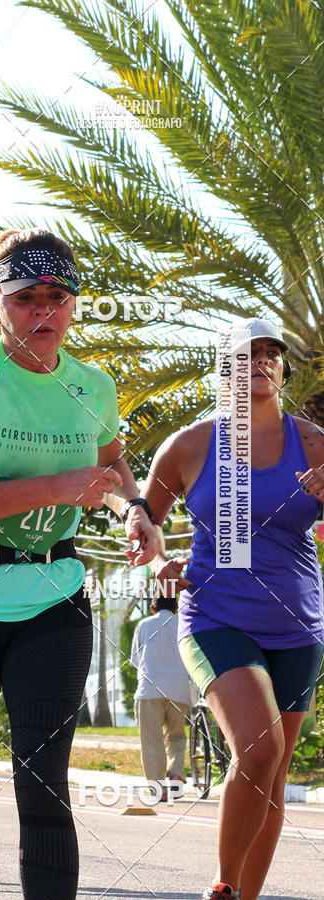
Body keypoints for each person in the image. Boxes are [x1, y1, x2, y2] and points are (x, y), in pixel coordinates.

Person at [0, 228, 160, 899]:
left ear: (75, 304)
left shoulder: (93, 385)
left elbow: (109, 467)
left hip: (53, 596)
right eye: (26, 298)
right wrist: (54, 487)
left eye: (58, 295)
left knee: (44, 781)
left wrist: (135, 510)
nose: (43, 310)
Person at [143, 318, 324, 900]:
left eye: (272, 354)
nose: (262, 362)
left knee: (273, 771)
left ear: (283, 368)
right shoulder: (190, 446)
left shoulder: (316, 443)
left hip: (298, 625)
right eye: (246, 355)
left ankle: (246, 897)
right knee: (259, 747)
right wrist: (157, 563)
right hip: (216, 617)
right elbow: (142, 522)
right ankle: (223, 885)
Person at [130, 595, 191, 800]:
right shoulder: (184, 624)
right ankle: (176, 775)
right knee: (177, 736)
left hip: (149, 689)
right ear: (176, 608)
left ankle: (158, 789)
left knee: (151, 740)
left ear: (152, 608)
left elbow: (136, 660)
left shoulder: (143, 625)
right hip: (179, 690)